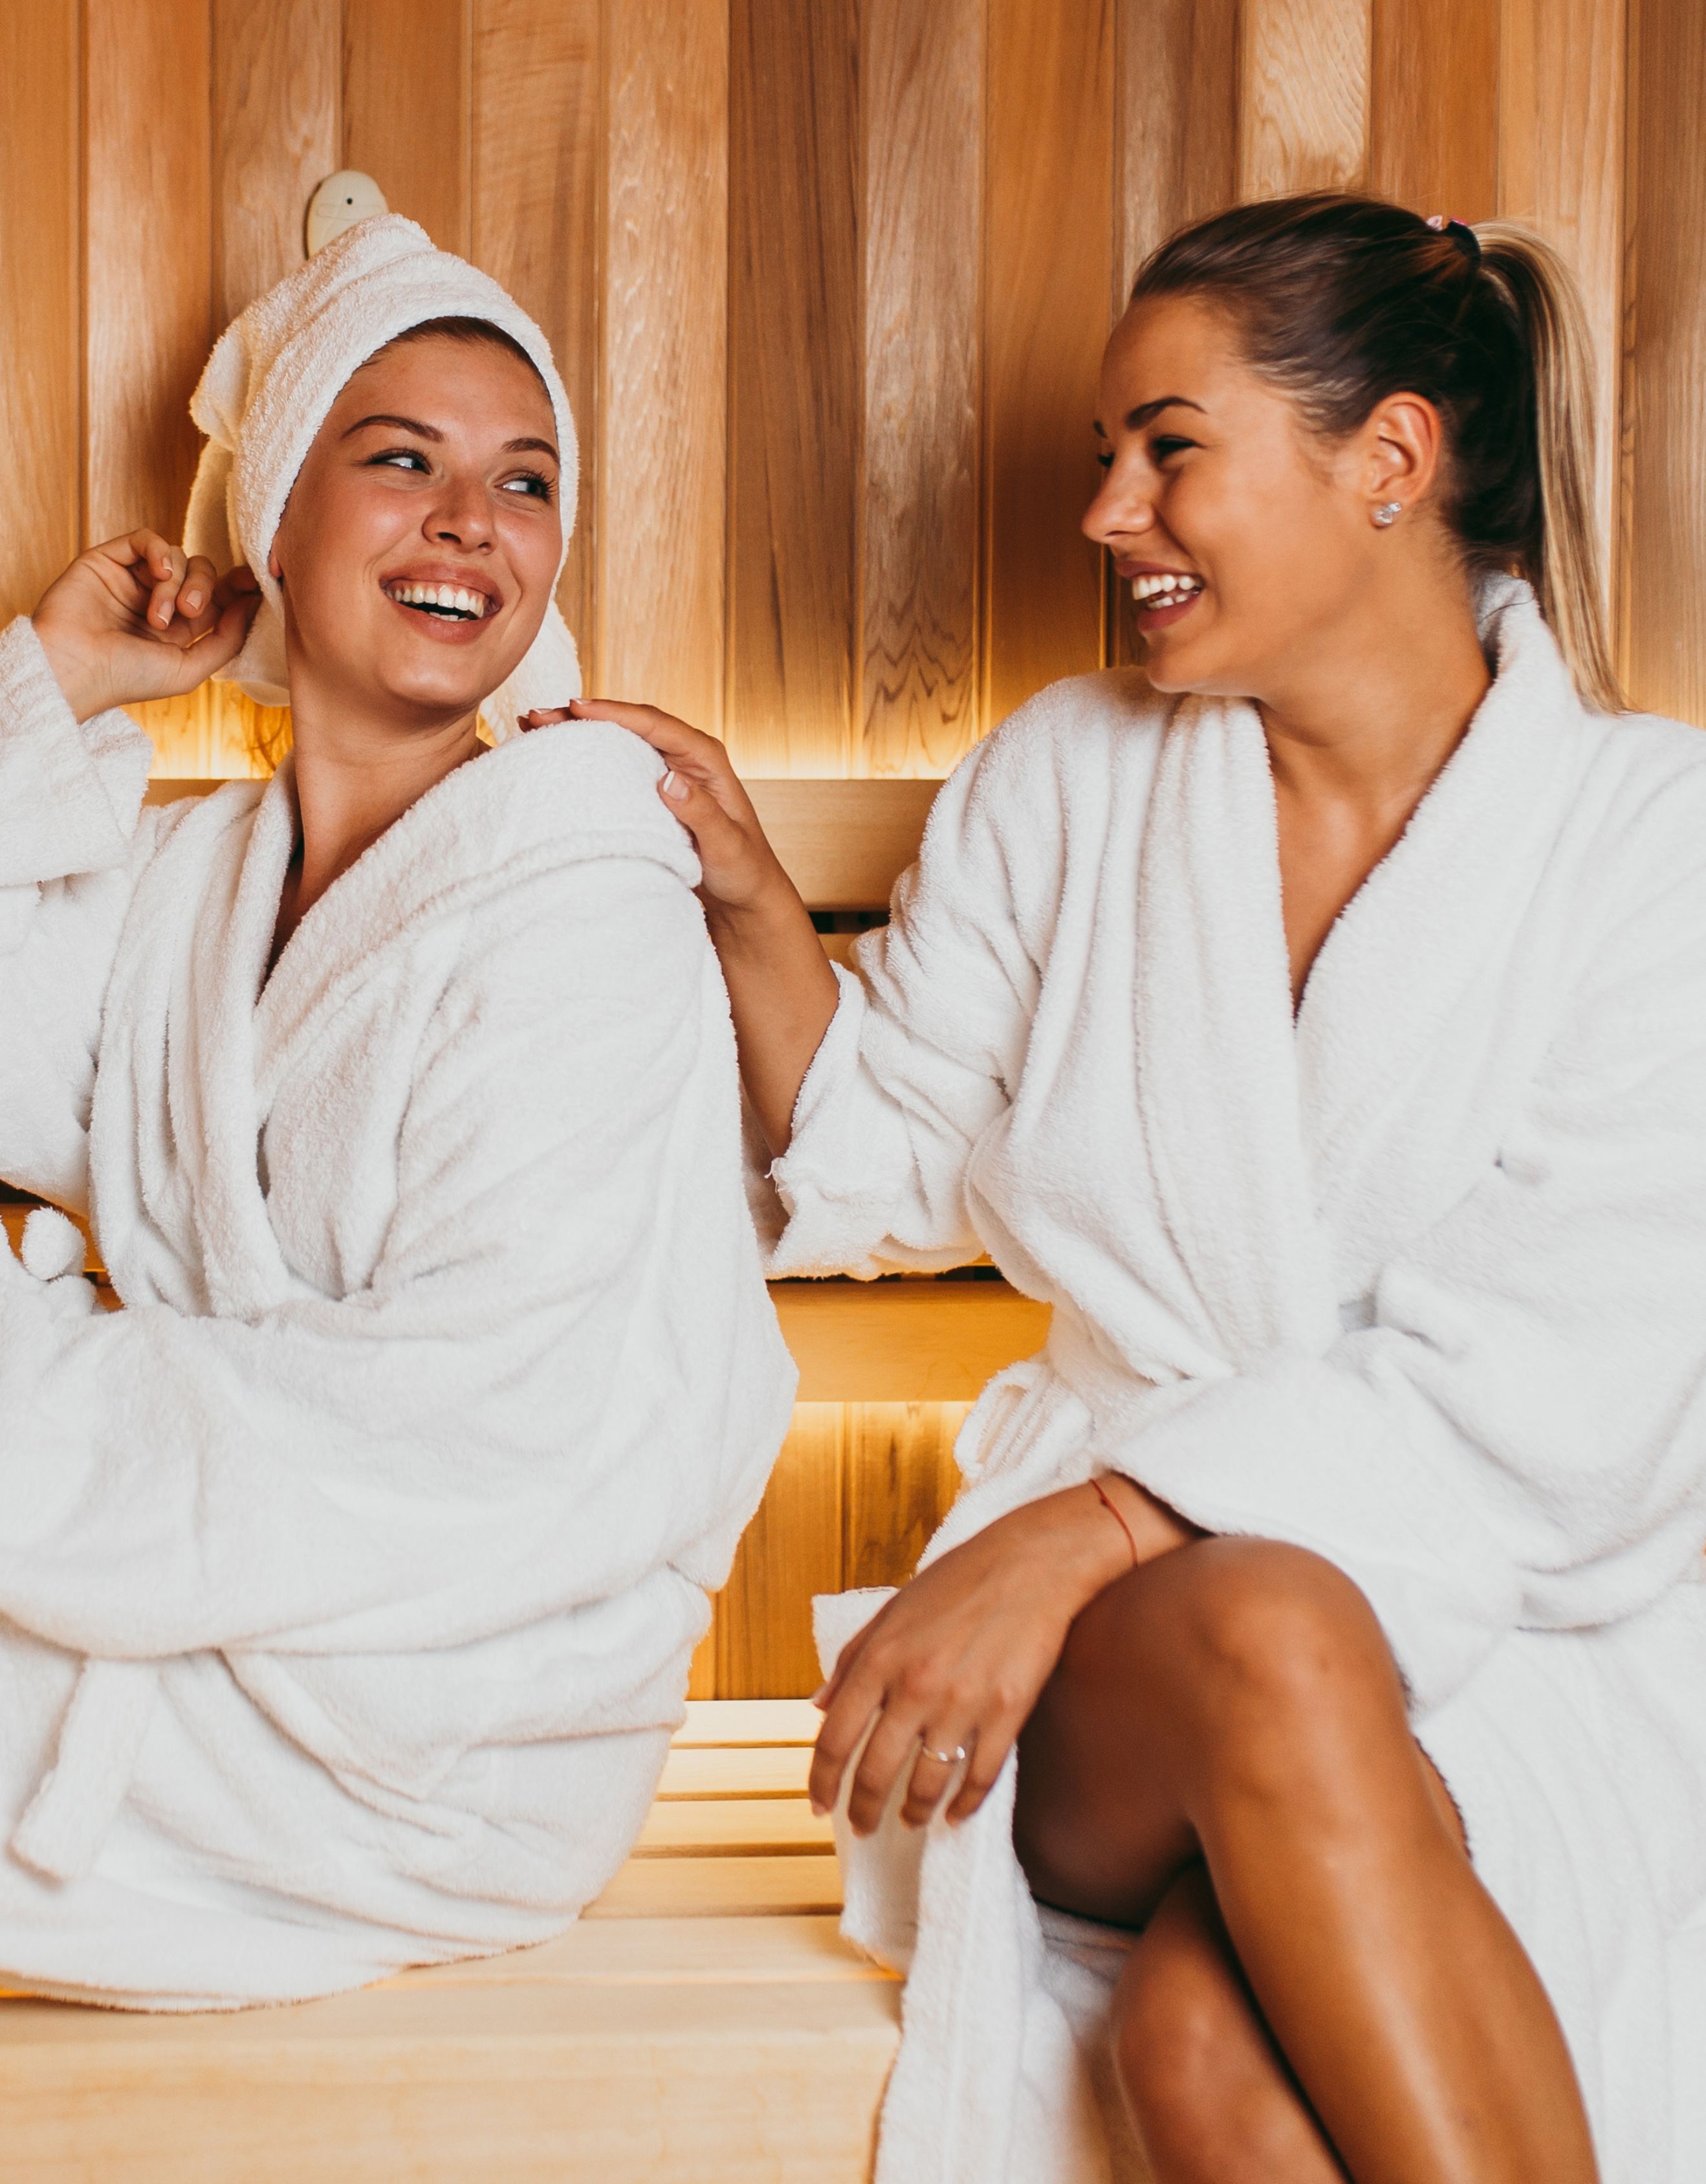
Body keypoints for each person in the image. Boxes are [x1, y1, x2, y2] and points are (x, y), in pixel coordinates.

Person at [572, 196, 1706, 2182]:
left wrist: (1081, 1530)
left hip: (1521, 1650)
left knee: (1204, 2055)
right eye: (1112, 456)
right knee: (1267, 1623)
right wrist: (755, 897)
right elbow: (889, 1146)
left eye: (1169, 448)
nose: (1110, 513)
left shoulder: (1650, 850)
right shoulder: (1072, 780)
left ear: (1390, 462)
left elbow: (1567, 1387)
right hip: (1128, 1685)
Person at [0, 215, 794, 2007]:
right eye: (400, 461)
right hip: (238, 1617)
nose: (469, 521)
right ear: (271, 523)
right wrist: (53, 686)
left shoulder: (583, 889)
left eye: (523, 483)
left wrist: (31, 1414)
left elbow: (490, 1424)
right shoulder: (199, 885)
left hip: (442, 1717)